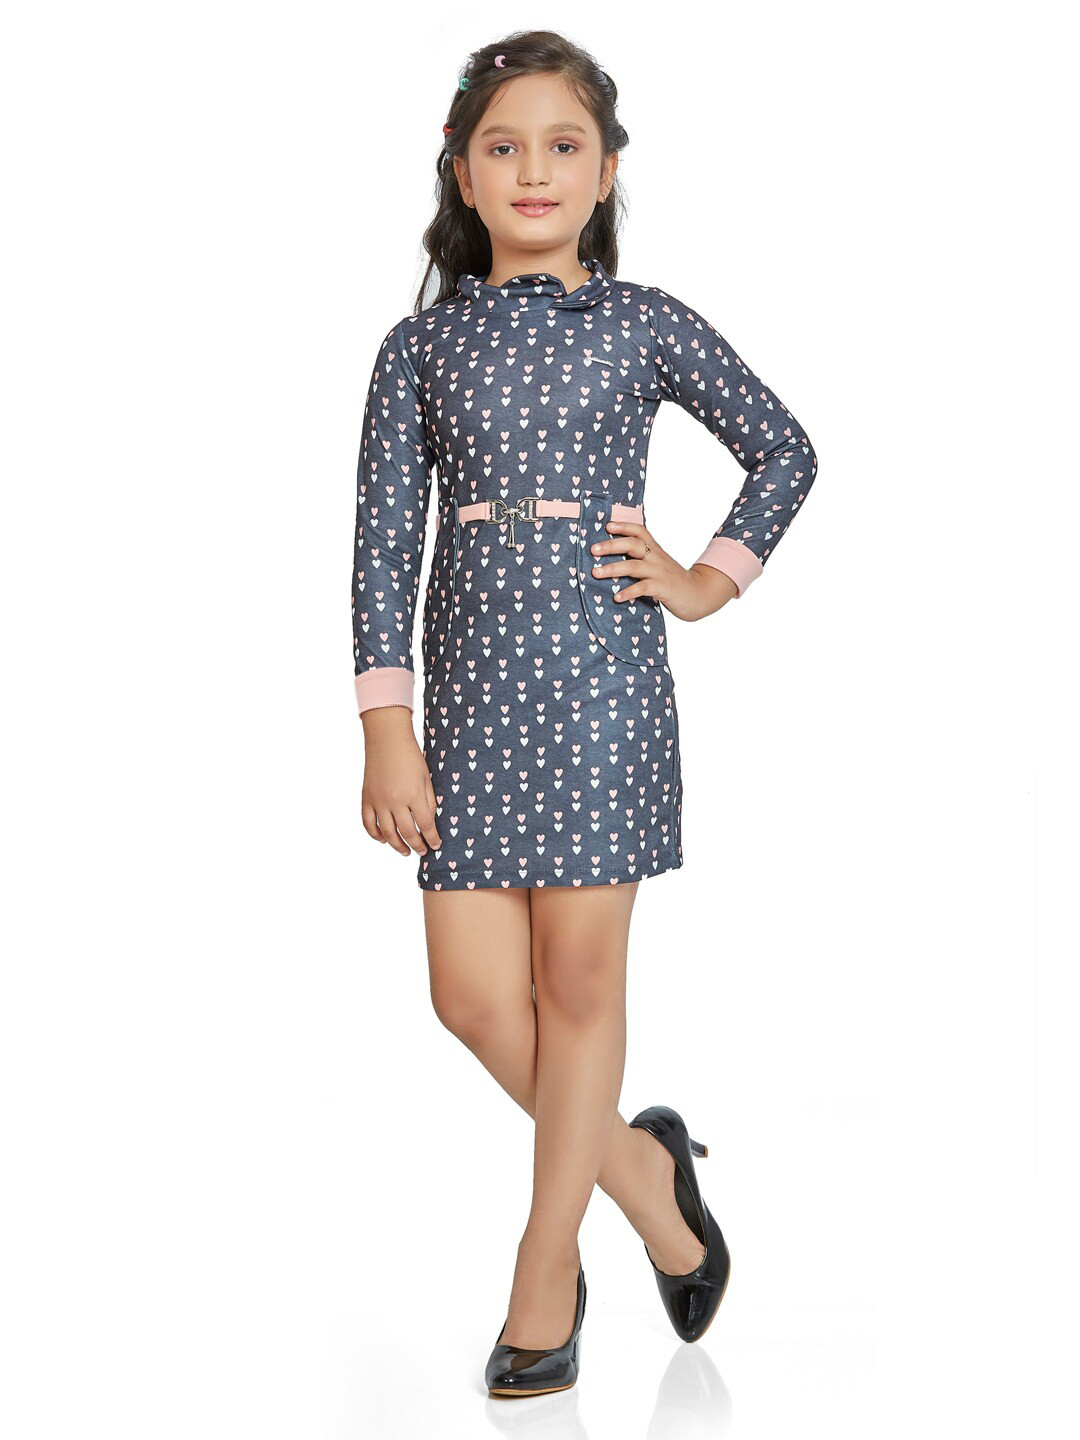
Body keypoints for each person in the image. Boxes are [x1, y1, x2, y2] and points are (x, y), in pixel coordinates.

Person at [351, 30, 818, 1398]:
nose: (535, 170)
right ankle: (645, 1176)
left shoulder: (644, 322)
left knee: (579, 983)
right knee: (471, 994)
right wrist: (385, 726)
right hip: (469, 697)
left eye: (564, 146)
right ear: (462, 170)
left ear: (607, 170)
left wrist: (704, 580)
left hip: (603, 687)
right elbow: (383, 546)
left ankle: (542, 1273)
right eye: (504, 146)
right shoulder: (419, 347)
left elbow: (784, 448)